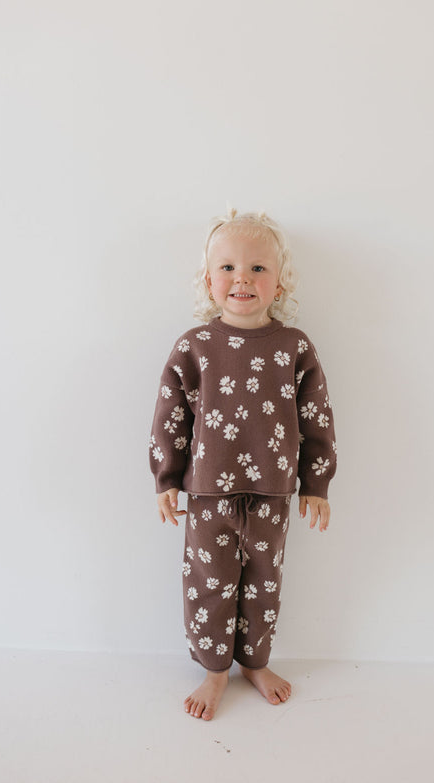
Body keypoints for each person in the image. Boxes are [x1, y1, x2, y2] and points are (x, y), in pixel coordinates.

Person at [149, 207, 337, 720]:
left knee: (263, 583)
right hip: (208, 493)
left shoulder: (294, 348)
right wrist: (166, 478)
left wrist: (315, 484)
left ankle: (255, 662)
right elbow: (171, 417)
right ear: (208, 280)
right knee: (209, 585)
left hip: (272, 491)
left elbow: (316, 419)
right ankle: (214, 670)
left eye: (258, 268)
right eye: (228, 267)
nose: (242, 279)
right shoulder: (195, 347)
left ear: (280, 281)